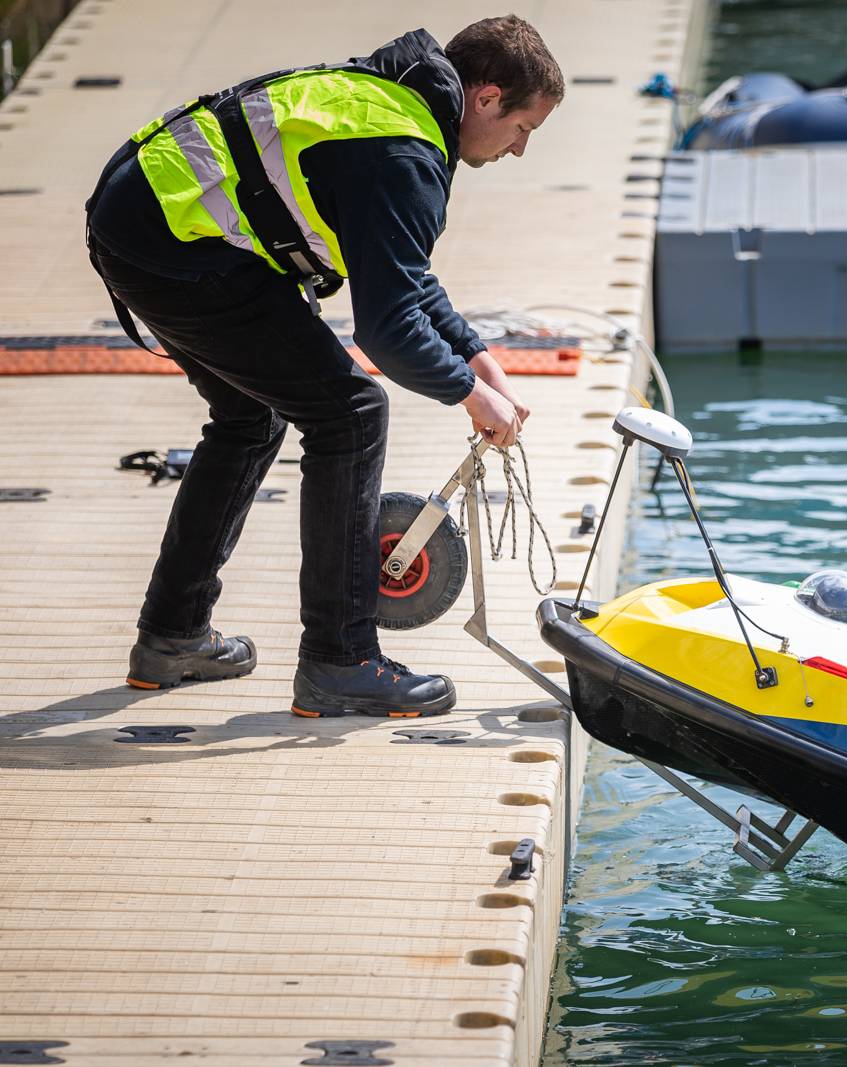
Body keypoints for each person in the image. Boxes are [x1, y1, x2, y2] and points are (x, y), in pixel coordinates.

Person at [85, 16, 564, 718]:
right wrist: (470, 396)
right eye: (523, 128)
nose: (520, 148)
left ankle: (172, 635)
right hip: (174, 246)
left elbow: (403, 275)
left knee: (251, 415)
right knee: (351, 414)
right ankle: (340, 662)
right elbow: (388, 330)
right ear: (487, 97)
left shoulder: (397, 106)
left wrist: (478, 357)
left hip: (145, 220)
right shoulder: (402, 151)